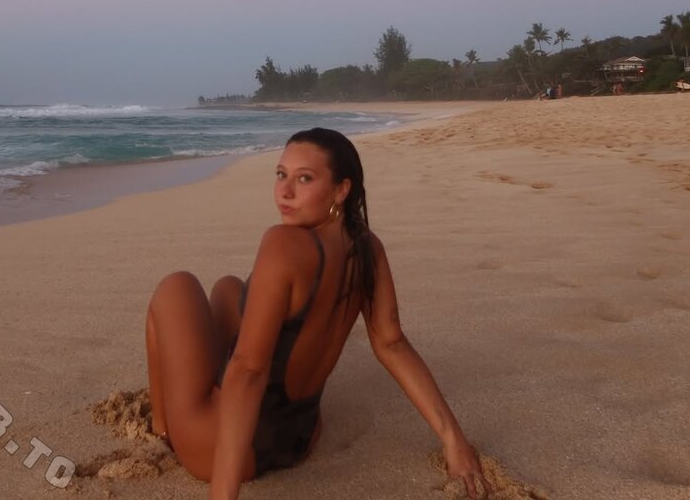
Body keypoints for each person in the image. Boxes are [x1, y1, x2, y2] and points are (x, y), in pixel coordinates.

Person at [145, 127, 491, 500]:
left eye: (304, 179)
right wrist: (453, 440)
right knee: (229, 289)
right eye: (281, 174)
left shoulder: (283, 244)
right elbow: (391, 344)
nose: (284, 191)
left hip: (223, 452)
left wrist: (222, 495)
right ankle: (205, 389)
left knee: (176, 287)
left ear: (341, 190)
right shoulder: (367, 248)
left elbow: (249, 370)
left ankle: (163, 430)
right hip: (300, 437)